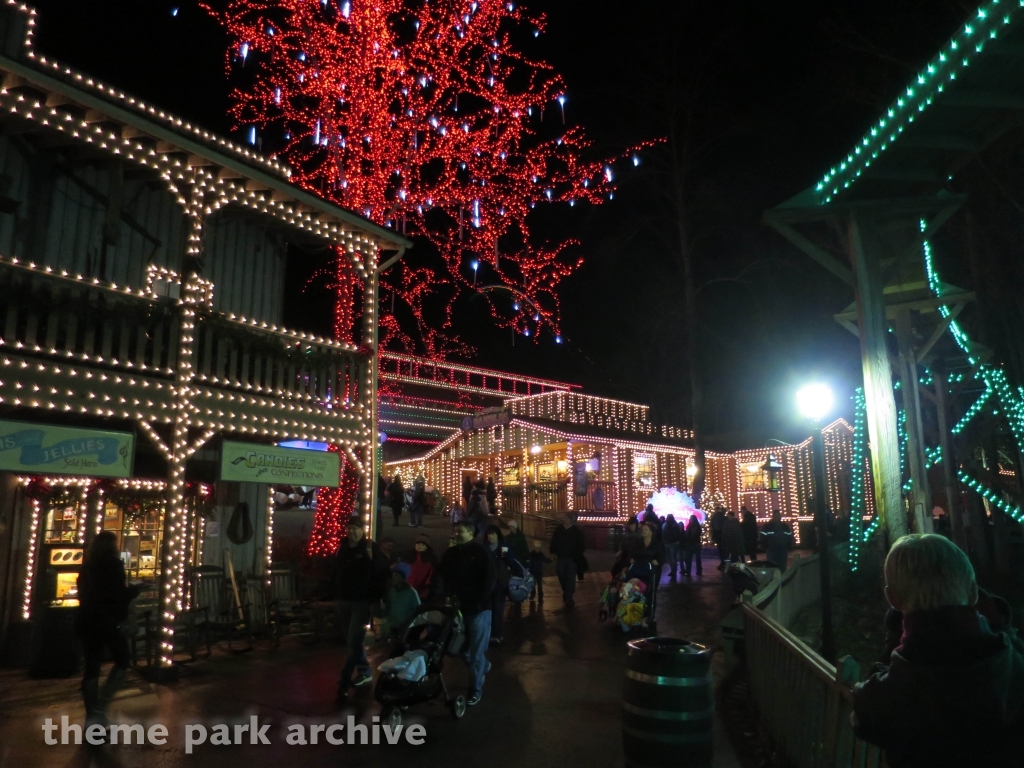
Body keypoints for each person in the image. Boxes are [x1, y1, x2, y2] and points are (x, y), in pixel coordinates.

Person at [852, 534, 1024, 768]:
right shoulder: (1012, 669)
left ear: (892, 598)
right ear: (974, 593)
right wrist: (1001, 624)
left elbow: (863, 716)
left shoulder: (886, 695)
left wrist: (893, 638)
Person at [76, 531, 140, 726]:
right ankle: (100, 708)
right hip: (108, 621)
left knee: (92, 666)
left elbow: (83, 592)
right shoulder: (113, 565)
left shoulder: (87, 566)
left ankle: (92, 716)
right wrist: (135, 590)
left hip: (87, 620)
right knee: (122, 659)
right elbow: (117, 595)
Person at [438, 519, 496, 706]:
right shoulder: (451, 553)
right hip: (457, 610)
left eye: (460, 531)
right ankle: (483, 667)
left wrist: (479, 601)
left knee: (476, 650)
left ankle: (475, 689)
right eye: (455, 531)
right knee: (459, 648)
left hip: (478, 610)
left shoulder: (481, 553)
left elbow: (489, 579)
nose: (456, 534)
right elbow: (441, 575)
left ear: (471, 534)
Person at [333, 518, 391, 703]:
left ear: (362, 530)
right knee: (352, 641)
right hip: (344, 600)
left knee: (353, 641)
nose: (352, 532)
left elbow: (382, 574)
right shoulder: (342, 548)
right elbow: (335, 571)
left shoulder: (370, 549)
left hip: (362, 602)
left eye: (356, 528)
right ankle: (365, 671)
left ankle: (343, 682)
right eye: (349, 528)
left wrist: (377, 598)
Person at [483, 524, 519, 645]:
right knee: (488, 609)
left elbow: (511, 561)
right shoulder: (484, 548)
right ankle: (489, 633)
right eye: (488, 534)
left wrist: (507, 556)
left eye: (493, 534)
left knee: (498, 609)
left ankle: (497, 634)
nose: (490, 537)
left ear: (497, 535)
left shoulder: (504, 547)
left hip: (500, 582)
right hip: (487, 583)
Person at [549, 513, 586, 607]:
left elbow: (581, 544)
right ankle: (566, 590)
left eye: (566, 518)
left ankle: (569, 596)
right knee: (561, 573)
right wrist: (553, 551)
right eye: (564, 517)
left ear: (570, 520)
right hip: (561, 556)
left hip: (571, 558)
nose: (564, 519)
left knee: (570, 576)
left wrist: (577, 554)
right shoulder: (559, 529)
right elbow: (554, 540)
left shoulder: (576, 531)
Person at [383, 562, 421, 640]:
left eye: (397, 575)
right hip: (393, 625)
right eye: (393, 575)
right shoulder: (391, 591)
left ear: (403, 577)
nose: (394, 577)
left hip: (406, 626)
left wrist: (408, 620)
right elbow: (388, 607)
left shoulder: (411, 592)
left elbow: (417, 609)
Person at [406, 533, 436, 599]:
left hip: (423, 587)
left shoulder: (430, 558)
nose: (419, 546)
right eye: (418, 544)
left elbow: (432, 572)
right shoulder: (409, 556)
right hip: (409, 585)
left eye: (422, 545)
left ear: (426, 547)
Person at [662, 514, 682, 582]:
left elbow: (667, 533)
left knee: (672, 558)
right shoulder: (674, 525)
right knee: (671, 558)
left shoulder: (670, 525)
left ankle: (673, 571)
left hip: (671, 543)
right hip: (670, 543)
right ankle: (673, 571)